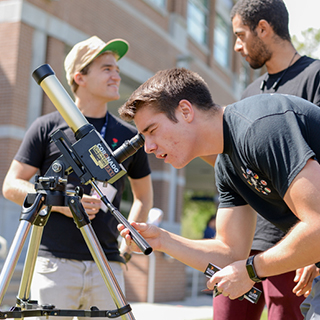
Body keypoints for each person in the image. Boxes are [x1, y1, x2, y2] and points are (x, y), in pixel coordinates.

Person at [117, 67, 320, 318]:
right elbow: (230, 253)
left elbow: (318, 224)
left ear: (185, 111)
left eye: (152, 131)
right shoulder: (226, 165)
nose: (147, 147)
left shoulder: (259, 128)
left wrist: (251, 270)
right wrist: (162, 241)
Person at [2, 36, 153, 318]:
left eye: (117, 69)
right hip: (54, 265)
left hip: (108, 263)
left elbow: (144, 196)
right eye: (107, 68)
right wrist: (61, 204)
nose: (116, 74)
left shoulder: (130, 136)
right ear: (79, 77)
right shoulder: (46, 127)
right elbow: (10, 186)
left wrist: (127, 245)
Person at [207, 0, 320, 319]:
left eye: (241, 35)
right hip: (246, 240)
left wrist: (314, 250)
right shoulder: (250, 93)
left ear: (264, 29)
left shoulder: (315, 76)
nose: (237, 46)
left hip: (295, 245)